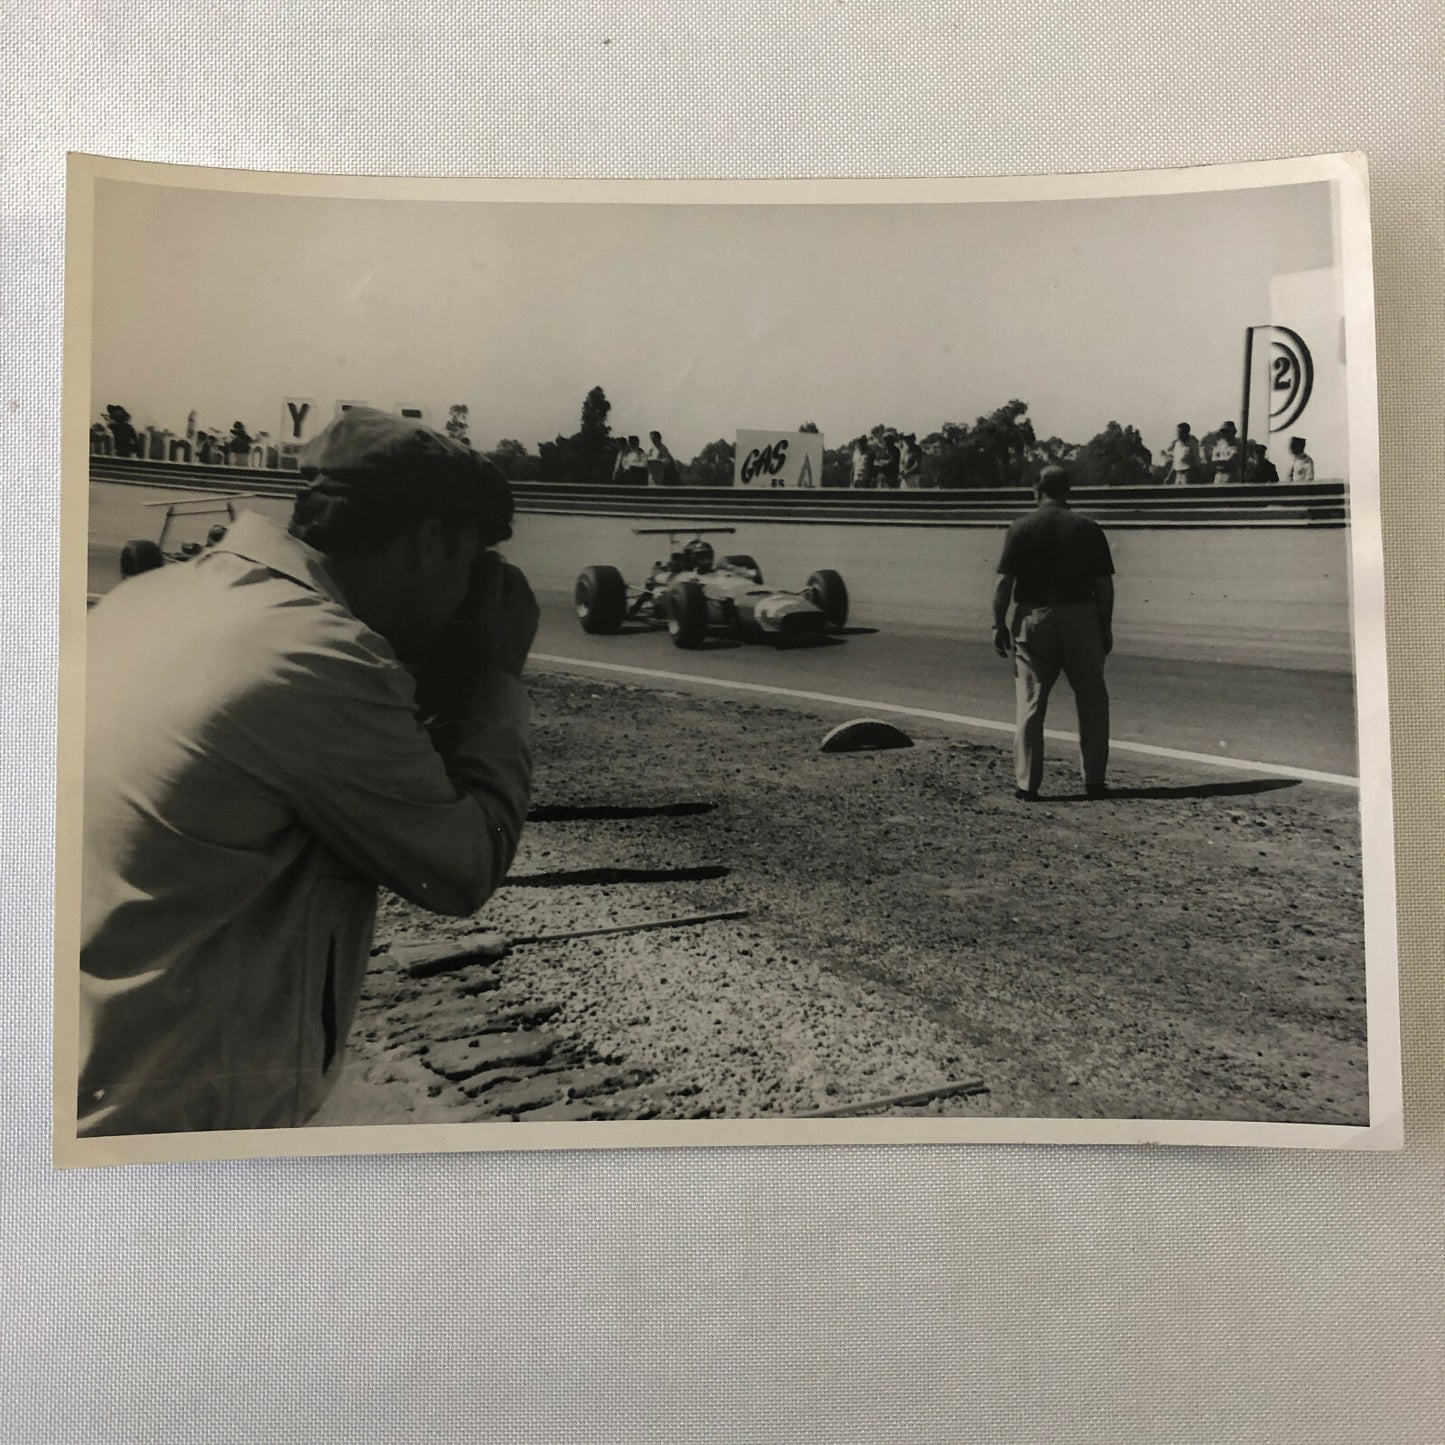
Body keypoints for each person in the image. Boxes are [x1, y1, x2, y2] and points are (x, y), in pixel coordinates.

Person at [79, 407, 538, 1136]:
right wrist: (492, 678)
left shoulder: (152, 598)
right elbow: (462, 866)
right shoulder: (319, 655)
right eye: (468, 562)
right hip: (176, 1132)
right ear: (429, 542)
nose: (470, 590)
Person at [991, 464, 1114, 801]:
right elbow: (1104, 586)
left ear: (1036, 490)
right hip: (1082, 618)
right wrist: (1105, 625)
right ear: (1068, 492)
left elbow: (1004, 583)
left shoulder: (1020, 527)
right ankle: (1095, 781)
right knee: (1092, 699)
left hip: (1035, 618)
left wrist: (998, 622)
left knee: (1030, 703)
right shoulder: (1089, 529)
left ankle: (1027, 784)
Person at [1208, 420, 1241, 484]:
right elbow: (1214, 459)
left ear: (1233, 432)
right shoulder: (1220, 444)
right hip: (1219, 474)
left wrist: (1220, 460)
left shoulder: (1237, 444)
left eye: (1227, 431)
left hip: (1231, 475)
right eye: (1223, 431)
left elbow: (1232, 460)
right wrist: (1223, 460)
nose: (1225, 434)